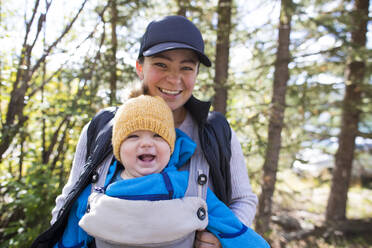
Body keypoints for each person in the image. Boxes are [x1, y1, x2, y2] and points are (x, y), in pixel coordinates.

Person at [47, 15, 258, 248]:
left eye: (186, 67)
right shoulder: (104, 126)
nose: (174, 78)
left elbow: (243, 200)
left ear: (196, 73)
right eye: (161, 64)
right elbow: (69, 200)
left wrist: (220, 241)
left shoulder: (215, 132)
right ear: (140, 67)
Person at [56, 94, 269, 248]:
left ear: (171, 147)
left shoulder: (185, 185)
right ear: (117, 148)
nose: (146, 144)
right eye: (133, 136)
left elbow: (231, 228)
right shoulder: (99, 189)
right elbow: (71, 234)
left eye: (157, 136)